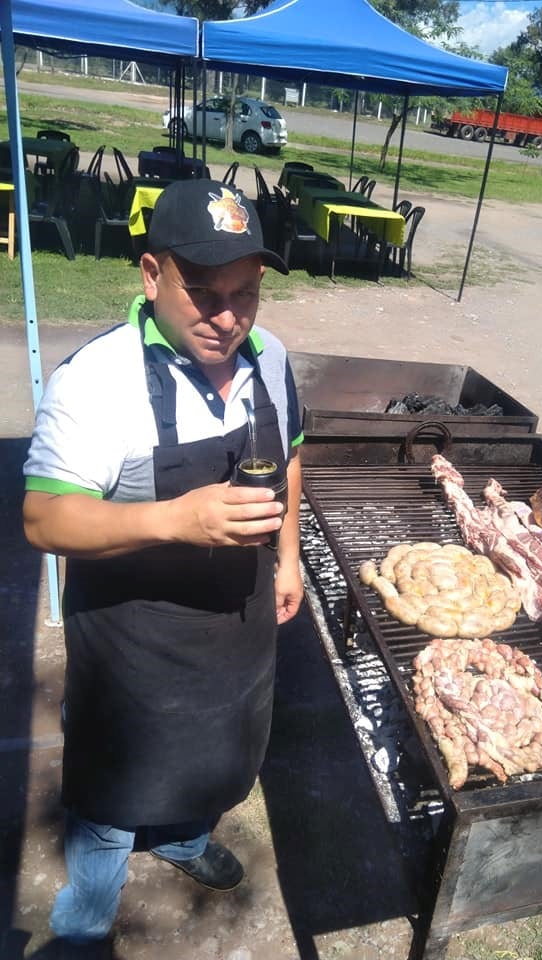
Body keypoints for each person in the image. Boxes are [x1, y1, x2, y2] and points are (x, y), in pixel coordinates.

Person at [23, 178, 304, 949]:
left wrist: (288, 557)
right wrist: (178, 518)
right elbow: (43, 518)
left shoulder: (269, 356)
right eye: (205, 293)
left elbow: (294, 454)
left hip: (236, 630)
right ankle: (88, 911)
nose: (228, 318)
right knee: (114, 791)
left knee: (219, 750)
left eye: (246, 294)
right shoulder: (96, 381)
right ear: (152, 276)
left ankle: (182, 837)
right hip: (135, 644)